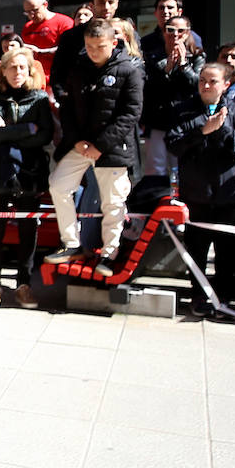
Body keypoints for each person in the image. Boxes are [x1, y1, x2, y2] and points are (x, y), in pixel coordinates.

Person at [44, 17, 144, 276]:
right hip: (79, 143)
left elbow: (130, 113)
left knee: (112, 203)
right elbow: (66, 105)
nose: (93, 51)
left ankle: (110, 252)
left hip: (112, 148)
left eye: (99, 46)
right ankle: (71, 243)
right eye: (89, 46)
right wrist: (77, 139)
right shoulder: (78, 67)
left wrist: (100, 145)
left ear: (114, 42)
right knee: (58, 186)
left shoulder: (130, 69)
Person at [166, 63, 235, 316]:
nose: (206, 86)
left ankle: (223, 297)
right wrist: (202, 131)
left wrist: (223, 129)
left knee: (228, 251)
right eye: (202, 80)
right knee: (196, 249)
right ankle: (197, 294)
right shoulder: (183, 110)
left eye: (213, 81)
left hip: (229, 193)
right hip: (196, 193)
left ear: (226, 84)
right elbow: (174, 144)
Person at [0, 46, 53, 309]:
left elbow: (44, 136)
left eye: (22, 67)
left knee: (27, 230)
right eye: (12, 67)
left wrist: (9, 130)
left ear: (30, 69)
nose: (17, 72)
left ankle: (24, 285)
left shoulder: (39, 99)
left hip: (29, 172)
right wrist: (27, 129)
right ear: (3, 71)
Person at [141, 14, 206, 177]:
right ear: (163, 32)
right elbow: (148, 88)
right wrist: (167, 68)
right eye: (170, 30)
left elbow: (198, 85)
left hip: (185, 120)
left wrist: (184, 65)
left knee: (184, 166)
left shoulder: (198, 56)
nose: (175, 34)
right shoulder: (153, 57)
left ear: (188, 32)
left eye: (181, 30)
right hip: (158, 121)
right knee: (156, 169)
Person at [50, 0, 119, 102]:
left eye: (111, 2)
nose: (106, 7)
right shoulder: (72, 36)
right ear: (92, 6)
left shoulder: (125, 33)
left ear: (117, 4)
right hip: (79, 106)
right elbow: (58, 74)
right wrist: (65, 101)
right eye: (101, 2)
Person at [19, 0, 74, 81]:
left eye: (35, 10)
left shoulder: (64, 22)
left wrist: (40, 51)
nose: (31, 16)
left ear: (45, 5)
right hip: (34, 79)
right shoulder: (27, 27)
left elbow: (68, 50)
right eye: (27, 12)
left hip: (58, 77)